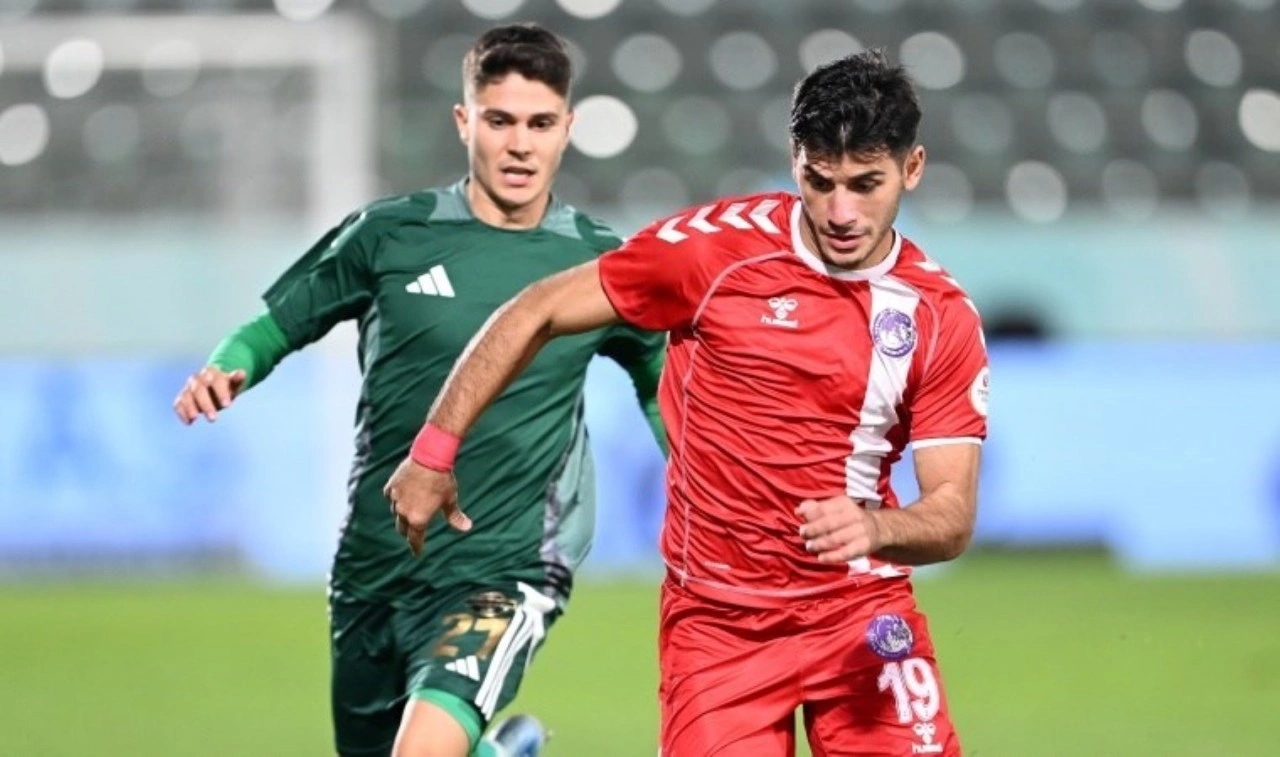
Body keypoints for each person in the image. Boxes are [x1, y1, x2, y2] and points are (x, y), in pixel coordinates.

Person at [385, 49, 989, 756]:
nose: (841, 212)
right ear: (795, 161)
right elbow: (537, 309)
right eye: (820, 182)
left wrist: (876, 527)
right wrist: (433, 451)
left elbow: (951, 515)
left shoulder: (938, 316)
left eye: (866, 185)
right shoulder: (712, 254)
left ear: (912, 168)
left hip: (861, 614)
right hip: (719, 626)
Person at [172, 23, 667, 757]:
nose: (519, 145)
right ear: (465, 121)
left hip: (506, 568)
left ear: (568, 129)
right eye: (499, 121)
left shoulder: (600, 263)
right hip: (375, 564)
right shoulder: (389, 235)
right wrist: (228, 365)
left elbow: (662, 386)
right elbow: (276, 324)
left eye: (539, 124)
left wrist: (706, 483)